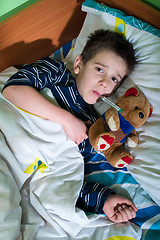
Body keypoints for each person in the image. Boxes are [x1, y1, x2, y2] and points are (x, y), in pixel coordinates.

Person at [2, 29, 138, 223]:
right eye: (100, 69)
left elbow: (68, 178)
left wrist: (105, 200)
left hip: (28, 180)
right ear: (78, 64)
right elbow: (13, 90)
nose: (104, 83)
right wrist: (67, 120)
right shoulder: (57, 73)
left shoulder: (93, 130)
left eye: (114, 79)